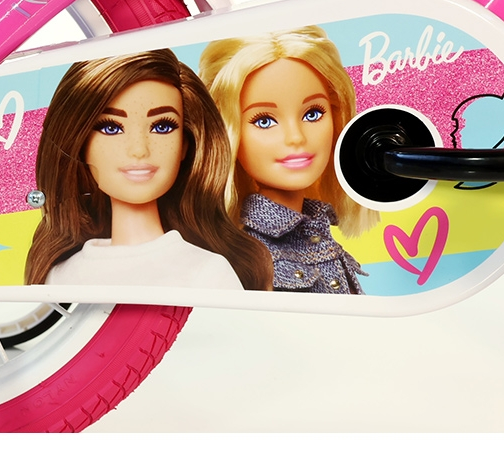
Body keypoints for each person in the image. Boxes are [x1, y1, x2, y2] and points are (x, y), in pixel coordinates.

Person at [24, 48, 273, 291]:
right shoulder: (60, 276)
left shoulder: (207, 272)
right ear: (80, 145)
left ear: (185, 144)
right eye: (111, 128)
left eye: (162, 127)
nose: (139, 150)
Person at [199, 27, 378, 294]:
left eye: (313, 113)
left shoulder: (318, 230)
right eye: (264, 121)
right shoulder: (246, 256)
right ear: (228, 132)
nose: (296, 137)